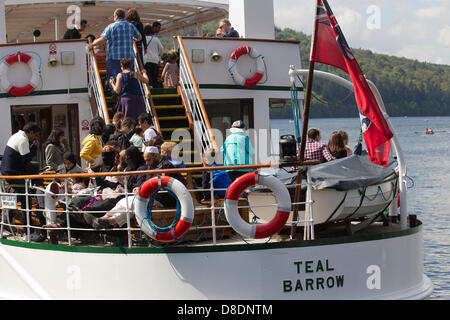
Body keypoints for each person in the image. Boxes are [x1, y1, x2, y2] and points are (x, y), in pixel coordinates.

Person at [89, 8, 142, 84]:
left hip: (114, 57)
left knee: (114, 77)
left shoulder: (111, 27)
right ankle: (127, 91)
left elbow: (103, 39)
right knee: (129, 76)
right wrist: (133, 39)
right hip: (129, 56)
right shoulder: (131, 26)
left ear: (116, 16)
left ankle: (116, 92)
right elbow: (139, 37)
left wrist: (92, 45)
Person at [143, 22, 164, 88]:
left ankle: (149, 87)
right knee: (154, 76)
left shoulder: (143, 40)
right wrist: (158, 54)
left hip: (146, 60)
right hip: (155, 60)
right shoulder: (156, 39)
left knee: (148, 75)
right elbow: (161, 49)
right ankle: (155, 88)